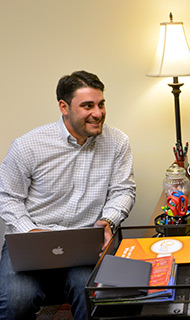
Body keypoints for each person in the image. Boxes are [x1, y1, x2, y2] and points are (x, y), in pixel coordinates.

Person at [0, 70, 136, 319]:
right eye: (87, 106)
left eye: (101, 104)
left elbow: (123, 190)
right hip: (31, 241)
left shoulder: (118, 142)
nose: (98, 113)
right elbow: (7, 197)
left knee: (93, 296)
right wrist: (31, 231)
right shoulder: (28, 145)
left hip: (85, 242)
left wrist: (107, 221)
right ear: (64, 107)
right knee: (16, 301)